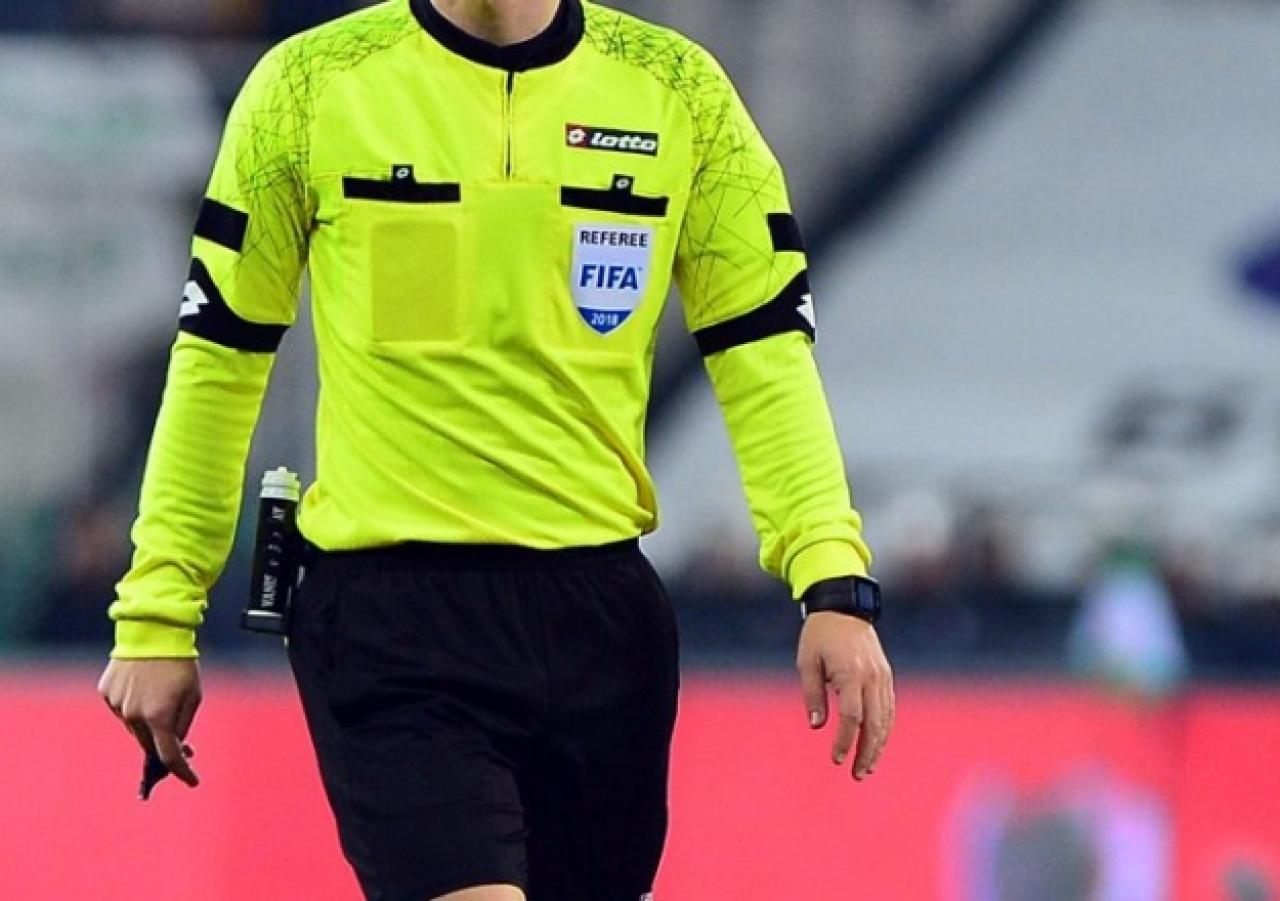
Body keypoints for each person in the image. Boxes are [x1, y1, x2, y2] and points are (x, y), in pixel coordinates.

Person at [97, 1, 896, 898]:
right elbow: (218, 362)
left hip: (603, 623)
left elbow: (765, 359)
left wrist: (832, 581)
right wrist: (158, 611)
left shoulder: (681, 94)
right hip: (390, 620)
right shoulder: (306, 87)